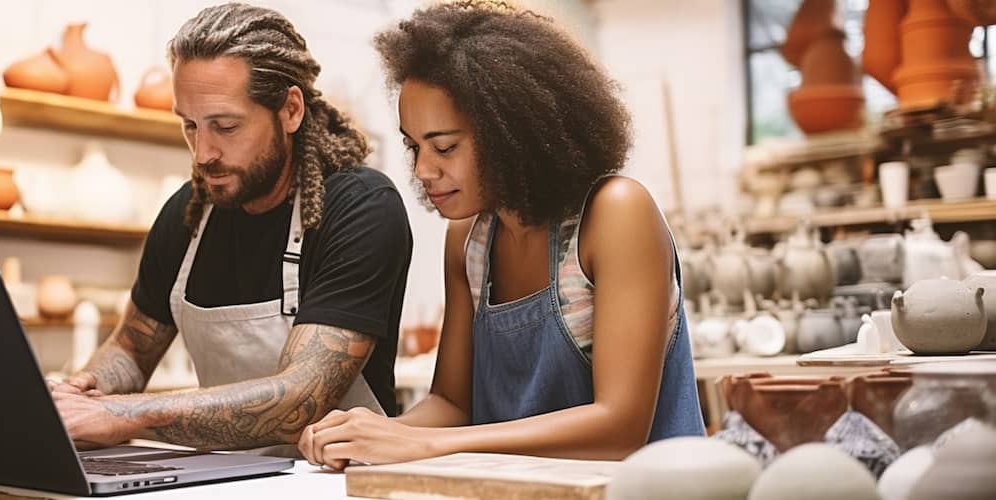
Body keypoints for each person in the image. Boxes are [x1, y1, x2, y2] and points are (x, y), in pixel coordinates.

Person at [298, 0, 705, 469]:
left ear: (512, 132)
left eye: (444, 146)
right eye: (414, 147)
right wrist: (368, 432)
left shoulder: (614, 214)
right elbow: (453, 405)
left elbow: (619, 429)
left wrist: (423, 445)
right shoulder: (470, 241)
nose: (424, 170)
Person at [48, 3, 413, 458]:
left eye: (225, 126)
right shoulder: (188, 213)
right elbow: (131, 349)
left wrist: (121, 416)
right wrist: (81, 394)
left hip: (335, 481)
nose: (203, 153)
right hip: (221, 477)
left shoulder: (359, 207)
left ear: (291, 110)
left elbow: (301, 399)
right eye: (190, 126)